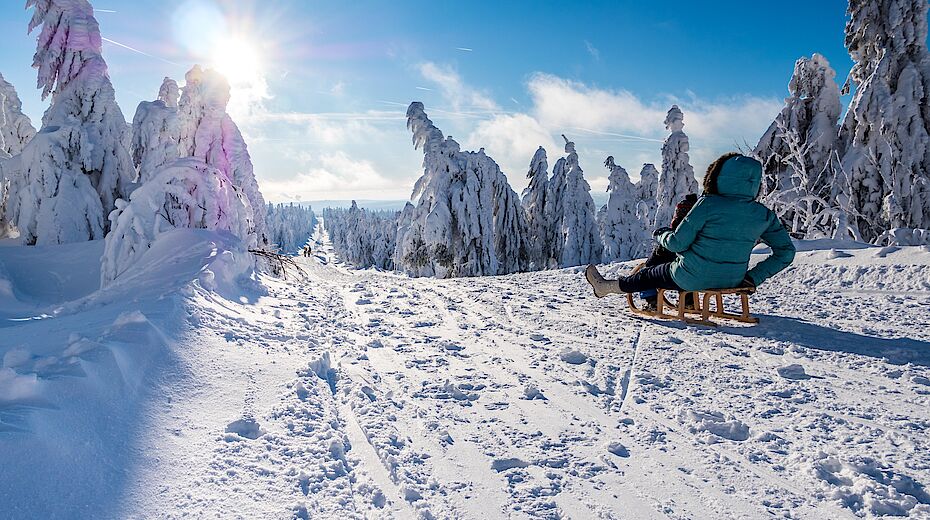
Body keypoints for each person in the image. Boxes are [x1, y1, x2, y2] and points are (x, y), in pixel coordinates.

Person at [585, 153, 795, 303]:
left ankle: (605, 287)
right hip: (735, 279)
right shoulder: (762, 213)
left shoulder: (708, 204)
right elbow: (786, 252)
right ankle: (687, 303)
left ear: (717, 176)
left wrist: (661, 235)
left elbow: (678, 242)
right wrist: (754, 277)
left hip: (690, 277)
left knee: (647, 275)